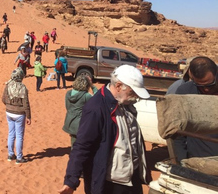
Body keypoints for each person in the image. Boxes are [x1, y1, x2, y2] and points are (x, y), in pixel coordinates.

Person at [58, 65, 151, 194]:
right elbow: (82, 145)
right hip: (110, 183)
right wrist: (71, 181)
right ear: (118, 86)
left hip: (131, 179)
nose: (135, 96)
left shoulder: (126, 104)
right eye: (132, 92)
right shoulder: (96, 107)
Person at [173, 56, 218, 163]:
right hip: (197, 161)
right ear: (192, 77)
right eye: (200, 86)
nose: (206, 89)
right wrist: (182, 160)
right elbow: (178, 133)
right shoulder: (184, 92)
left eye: (210, 85)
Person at [2, 68, 31, 164]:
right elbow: (26, 103)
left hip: (9, 112)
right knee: (19, 136)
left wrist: (9, 105)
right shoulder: (23, 87)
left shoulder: (8, 85)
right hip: (19, 114)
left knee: (11, 133)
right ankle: (19, 157)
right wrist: (28, 116)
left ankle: (10, 154)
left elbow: (3, 99)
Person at [62, 75, 98, 148]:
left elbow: (67, 107)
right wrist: (92, 86)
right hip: (81, 123)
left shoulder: (68, 93)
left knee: (73, 143)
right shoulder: (86, 96)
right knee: (82, 145)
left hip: (70, 121)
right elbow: (97, 99)